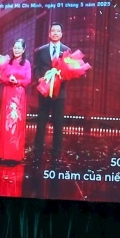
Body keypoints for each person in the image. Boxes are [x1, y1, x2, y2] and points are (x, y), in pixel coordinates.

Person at [34, 22, 71, 162]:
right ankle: (37, 152)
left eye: (58, 31)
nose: (55, 33)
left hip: (59, 93)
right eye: (53, 31)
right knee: (41, 122)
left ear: (61, 34)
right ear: (49, 34)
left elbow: (69, 71)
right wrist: (39, 79)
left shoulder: (66, 50)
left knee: (58, 124)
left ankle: (56, 154)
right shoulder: (41, 50)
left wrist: (61, 78)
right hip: (44, 91)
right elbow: (36, 68)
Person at [0, 39, 31, 164]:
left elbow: (28, 80)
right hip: (8, 93)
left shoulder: (26, 63)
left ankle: (15, 154)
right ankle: (3, 153)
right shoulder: (7, 63)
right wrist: (8, 80)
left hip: (19, 95)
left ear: (24, 50)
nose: (16, 50)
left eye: (19, 48)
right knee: (7, 123)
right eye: (15, 48)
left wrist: (18, 82)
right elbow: (1, 78)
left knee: (17, 123)